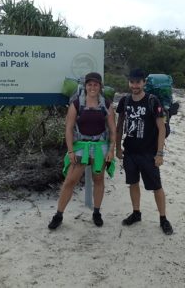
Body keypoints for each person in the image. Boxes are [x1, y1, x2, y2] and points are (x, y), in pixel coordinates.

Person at [48, 72, 116, 230]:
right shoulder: (77, 104)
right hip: (80, 147)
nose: (92, 87)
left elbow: (113, 129)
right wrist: (70, 151)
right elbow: (69, 128)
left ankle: (97, 212)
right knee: (70, 181)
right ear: (85, 86)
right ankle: (58, 215)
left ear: (100, 87)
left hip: (100, 147)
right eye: (90, 84)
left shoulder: (106, 104)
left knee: (98, 180)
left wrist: (111, 150)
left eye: (96, 85)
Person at [115, 68, 174, 235]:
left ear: (144, 83)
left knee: (157, 186)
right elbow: (120, 126)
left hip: (149, 152)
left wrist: (160, 153)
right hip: (130, 151)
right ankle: (136, 213)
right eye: (132, 82)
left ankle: (163, 218)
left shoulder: (152, 101)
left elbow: (161, 128)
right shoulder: (125, 101)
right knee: (133, 183)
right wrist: (118, 147)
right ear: (129, 82)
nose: (135, 85)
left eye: (138, 82)